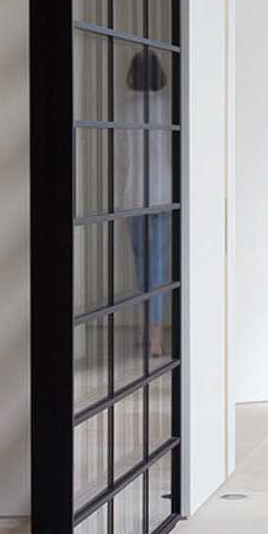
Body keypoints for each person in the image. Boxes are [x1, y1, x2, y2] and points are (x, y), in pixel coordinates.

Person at [116, 46, 176, 358]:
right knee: (159, 263)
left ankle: (148, 327)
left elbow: (123, 160)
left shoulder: (126, 110)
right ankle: (155, 334)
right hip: (165, 193)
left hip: (135, 194)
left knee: (142, 263)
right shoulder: (169, 107)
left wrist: (121, 203)